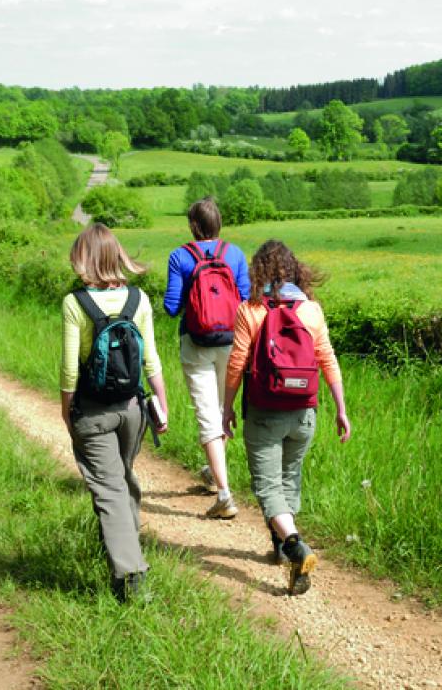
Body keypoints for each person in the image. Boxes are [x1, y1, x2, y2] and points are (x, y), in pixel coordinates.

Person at [222, 240, 351, 595]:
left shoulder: (251, 309)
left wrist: (227, 408)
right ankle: (279, 547)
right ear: (295, 269)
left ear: (258, 271)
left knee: (267, 487)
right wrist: (341, 409)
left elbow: (236, 365)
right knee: (288, 478)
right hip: (303, 412)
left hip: (265, 412)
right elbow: (327, 359)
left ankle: (294, 545)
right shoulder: (311, 310)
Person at [60, 223, 168, 602]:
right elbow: (151, 359)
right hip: (133, 409)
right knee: (121, 479)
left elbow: (70, 367)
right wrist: (161, 402)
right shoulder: (138, 299)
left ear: (85, 259)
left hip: (93, 412)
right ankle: (124, 546)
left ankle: (132, 574)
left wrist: (65, 408)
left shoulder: (75, 303)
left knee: (109, 488)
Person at [163, 197, 250, 519]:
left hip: (195, 342)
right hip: (231, 342)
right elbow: (244, 297)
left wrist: (194, 303)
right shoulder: (235, 253)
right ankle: (215, 475)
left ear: (193, 226)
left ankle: (225, 494)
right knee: (222, 410)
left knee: (206, 414)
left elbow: (171, 307)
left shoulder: (179, 256)